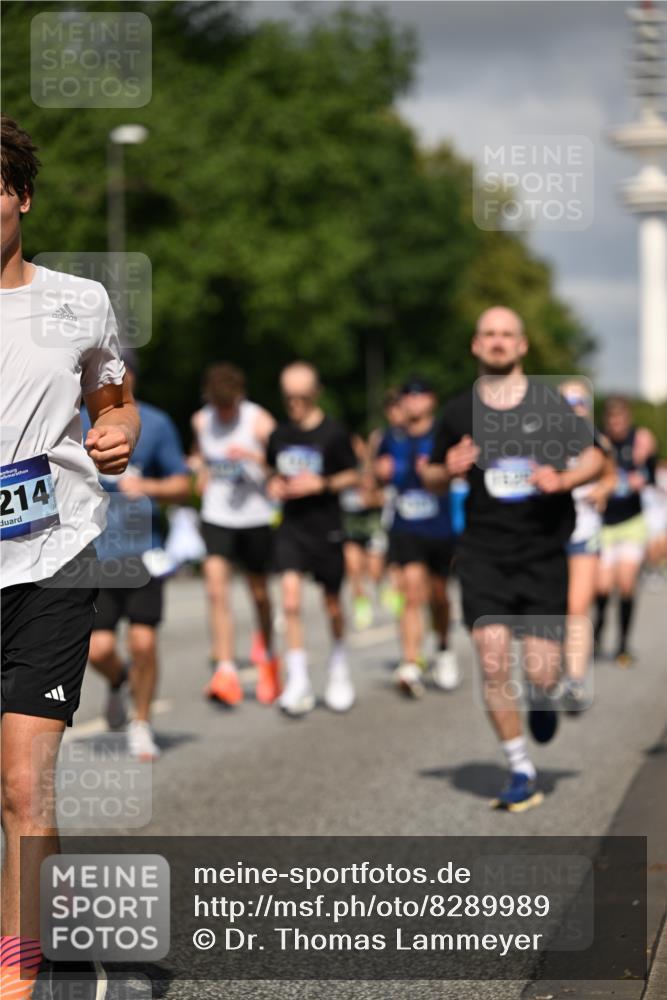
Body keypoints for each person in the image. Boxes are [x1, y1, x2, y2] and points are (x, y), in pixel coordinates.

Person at [0, 117, 139, 999]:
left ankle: (20, 978)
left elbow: (112, 391)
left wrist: (119, 423)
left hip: (50, 555)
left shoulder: (77, 300)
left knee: (22, 784)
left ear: (19, 198)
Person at [424, 306, 603, 812]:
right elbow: (431, 474)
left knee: (543, 673)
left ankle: (543, 698)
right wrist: (448, 469)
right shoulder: (459, 412)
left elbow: (596, 457)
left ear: (522, 346)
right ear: (476, 346)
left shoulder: (549, 405)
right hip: (483, 553)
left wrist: (564, 479)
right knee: (492, 656)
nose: (498, 342)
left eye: (507, 334)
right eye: (489, 334)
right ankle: (520, 766)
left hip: (542, 553)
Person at [81, 356, 191, 761]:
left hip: (143, 553)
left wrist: (148, 485)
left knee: (143, 643)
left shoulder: (156, 423)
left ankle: (141, 724)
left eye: (117, 372)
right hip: (94, 554)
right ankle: (120, 683)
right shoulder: (73, 420)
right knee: (98, 650)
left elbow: (182, 483)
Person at [266, 362, 358, 716]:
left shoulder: (334, 433)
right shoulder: (279, 434)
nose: (295, 405)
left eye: (302, 397)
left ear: (316, 393)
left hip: (327, 527)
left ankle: (338, 664)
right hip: (291, 527)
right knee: (289, 601)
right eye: (289, 398)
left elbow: (354, 474)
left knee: (332, 603)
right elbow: (272, 471)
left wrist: (324, 483)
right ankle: (298, 679)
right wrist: (273, 483)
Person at [190, 363, 280, 706]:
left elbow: (279, 464)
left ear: (240, 398)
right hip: (218, 514)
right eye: (218, 406)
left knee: (259, 594)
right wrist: (199, 469)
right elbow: (200, 457)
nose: (224, 413)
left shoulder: (259, 420)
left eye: (229, 406)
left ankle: (269, 656)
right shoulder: (202, 420)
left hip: (255, 516)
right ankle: (226, 670)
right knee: (216, 590)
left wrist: (254, 456)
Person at [376, 377, 459, 697]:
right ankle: (411, 661)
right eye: (406, 396)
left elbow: (456, 475)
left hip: (438, 527)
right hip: (404, 525)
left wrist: (441, 470)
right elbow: (375, 478)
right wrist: (378, 473)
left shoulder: (443, 435)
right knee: (411, 592)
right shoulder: (390, 437)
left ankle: (443, 648)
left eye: (418, 395)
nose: (411, 402)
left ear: (431, 400)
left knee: (438, 596)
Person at [558, 380, 616, 712]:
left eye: (580, 401)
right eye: (568, 400)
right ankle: (551, 668)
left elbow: (610, 476)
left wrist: (603, 490)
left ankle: (576, 680)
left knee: (578, 606)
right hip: (550, 535)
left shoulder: (597, 441)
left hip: (584, 531)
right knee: (554, 606)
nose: (574, 406)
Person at [595, 396, 657, 666]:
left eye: (620, 420)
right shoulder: (599, 443)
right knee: (603, 586)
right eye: (612, 420)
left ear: (628, 419)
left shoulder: (641, 441)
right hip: (604, 523)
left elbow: (652, 477)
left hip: (632, 521)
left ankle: (622, 644)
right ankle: (597, 632)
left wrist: (641, 477)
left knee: (627, 583)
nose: (616, 425)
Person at [341, 434, 386, 630]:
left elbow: (383, 498)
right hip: (351, 529)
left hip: (372, 528)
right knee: (353, 568)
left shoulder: (372, 472)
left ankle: (382, 586)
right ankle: (361, 606)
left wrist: (370, 496)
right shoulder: (344, 470)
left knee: (374, 572)